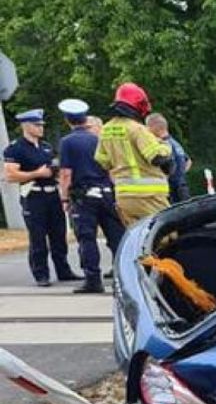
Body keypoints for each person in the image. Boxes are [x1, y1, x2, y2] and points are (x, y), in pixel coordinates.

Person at [2, 108, 79, 287]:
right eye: (37, 125)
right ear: (26, 126)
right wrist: (37, 173)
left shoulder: (46, 147)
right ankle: (41, 274)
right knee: (38, 238)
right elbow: (11, 176)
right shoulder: (15, 148)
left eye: (42, 125)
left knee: (58, 236)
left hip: (52, 195)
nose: (41, 128)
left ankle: (63, 271)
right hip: (34, 196)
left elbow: (55, 170)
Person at [58, 99, 125, 293]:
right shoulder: (98, 139)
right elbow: (110, 168)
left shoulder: (67, 142)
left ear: (68, 120)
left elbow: (66, 174)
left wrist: (64, 197)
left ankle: (93, 279)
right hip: (106, 193)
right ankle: (122, 276)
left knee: (87, 238)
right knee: (116, 236)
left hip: (84, 196)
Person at [95, 82, 173, 225]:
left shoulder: (106, 129)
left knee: (138, 241)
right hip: (149, 197)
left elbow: (102, 161)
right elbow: (158, 157)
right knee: (166, 236)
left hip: (123, 197)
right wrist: (166, 146)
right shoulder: (137, 129)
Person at [145, 113, 192, 203]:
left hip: (171, 191)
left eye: (147, 127)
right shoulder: (175, 143)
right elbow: (188, 161)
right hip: (182, 188)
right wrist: (180, 174)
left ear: (153, 127)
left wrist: (168, 177)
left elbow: (167, 165)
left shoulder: (162, 146)